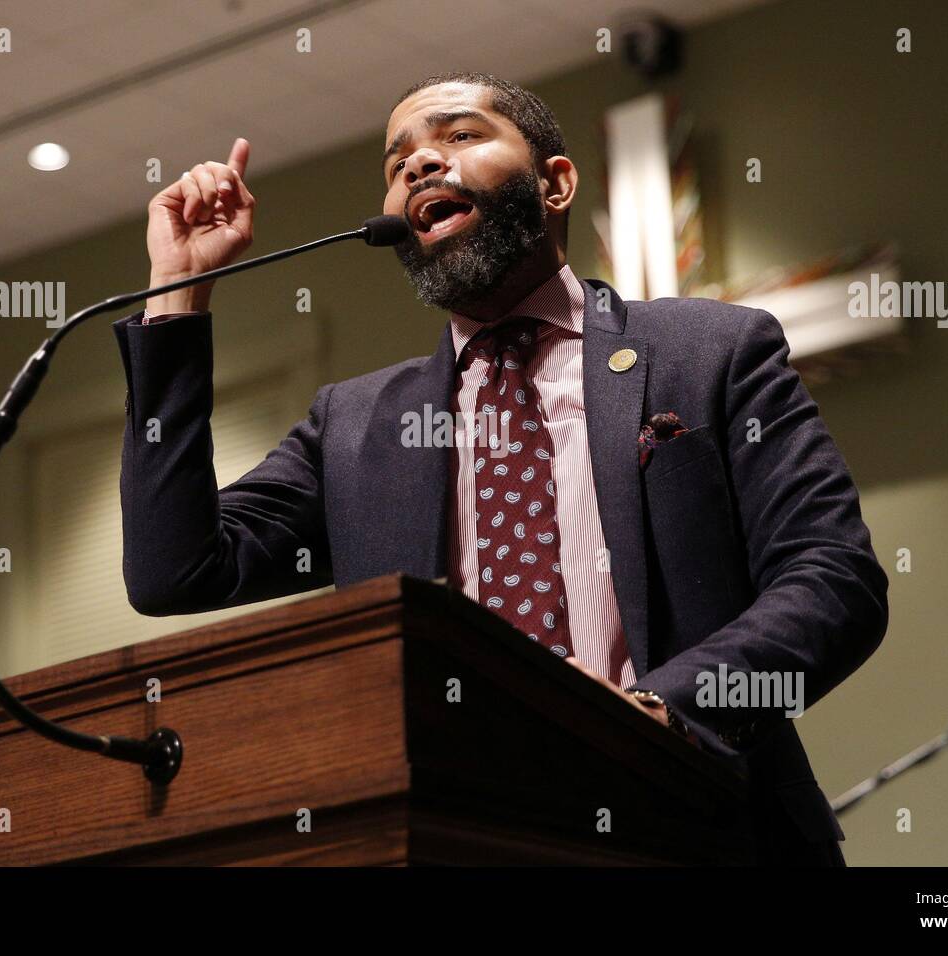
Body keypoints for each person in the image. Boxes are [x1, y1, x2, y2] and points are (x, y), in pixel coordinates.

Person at [112, 71, 888, 865]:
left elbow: (833, 579)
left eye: (458, 136)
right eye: (397, 163)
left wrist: (660, 711)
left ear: (553, 183)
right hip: (454, 834)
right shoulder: (356, 425)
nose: (418, 166)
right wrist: (178, 293)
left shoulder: (710, 352)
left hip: (698, 826)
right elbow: (175, 571)